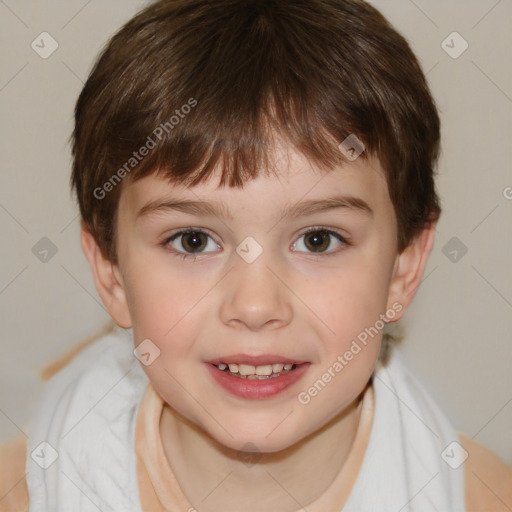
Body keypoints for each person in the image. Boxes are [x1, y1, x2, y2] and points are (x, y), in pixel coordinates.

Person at [1, 0, 511, 510]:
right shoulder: (28, 491)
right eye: (193, 240)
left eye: (318, 239)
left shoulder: (482, 498)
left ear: (403, 268)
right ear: (111, 274)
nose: (255, 305)